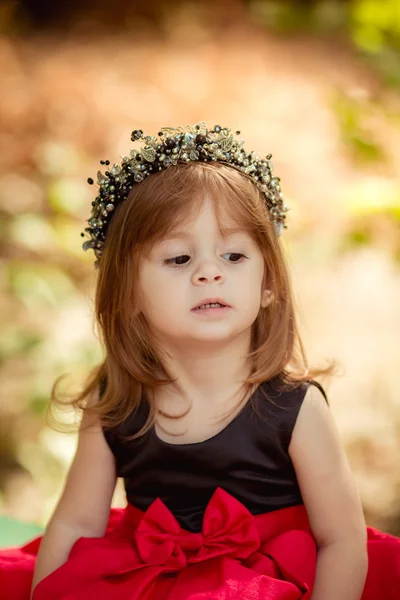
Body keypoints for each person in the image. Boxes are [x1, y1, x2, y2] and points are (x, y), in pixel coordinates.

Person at [0, 123, 399, 600]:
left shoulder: (293, 408)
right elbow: (75, 521)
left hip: (272, 581)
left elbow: (342, 539)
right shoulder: (117, 404)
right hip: (147, 577)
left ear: (268, 283)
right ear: (128, 293)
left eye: (233, 255)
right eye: (178, 259)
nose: (210, 272)